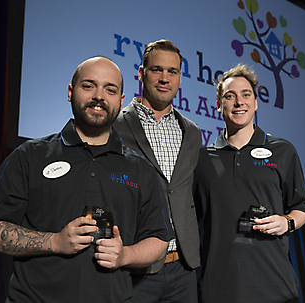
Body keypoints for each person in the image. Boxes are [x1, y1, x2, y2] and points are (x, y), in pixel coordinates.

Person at [0, 56, 170, 302]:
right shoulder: (30, 155)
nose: (99, 96)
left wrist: (125, 256)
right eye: (88, 86)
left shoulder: (141, 169)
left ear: (121, 101)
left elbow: (159, 240)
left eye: (110, 89)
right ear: (71, 92)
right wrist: (54, 242)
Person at [193, 63, 305, 303]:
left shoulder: (282, 151)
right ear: (218, 105)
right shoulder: (202, 160)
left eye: (246, 95)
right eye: (230, 96)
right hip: (219, 287)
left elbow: (302, 209)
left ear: (256, 103)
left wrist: (286, 223)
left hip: (274, 284)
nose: (239, 102)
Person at [113, 39, 201, 303]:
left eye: (172, 72)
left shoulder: (192, 132)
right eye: (156, 70)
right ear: (141, 73)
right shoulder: (115, 126)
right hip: (136, 268)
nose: (165, 78)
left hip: (184, 269)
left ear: (180, 79)